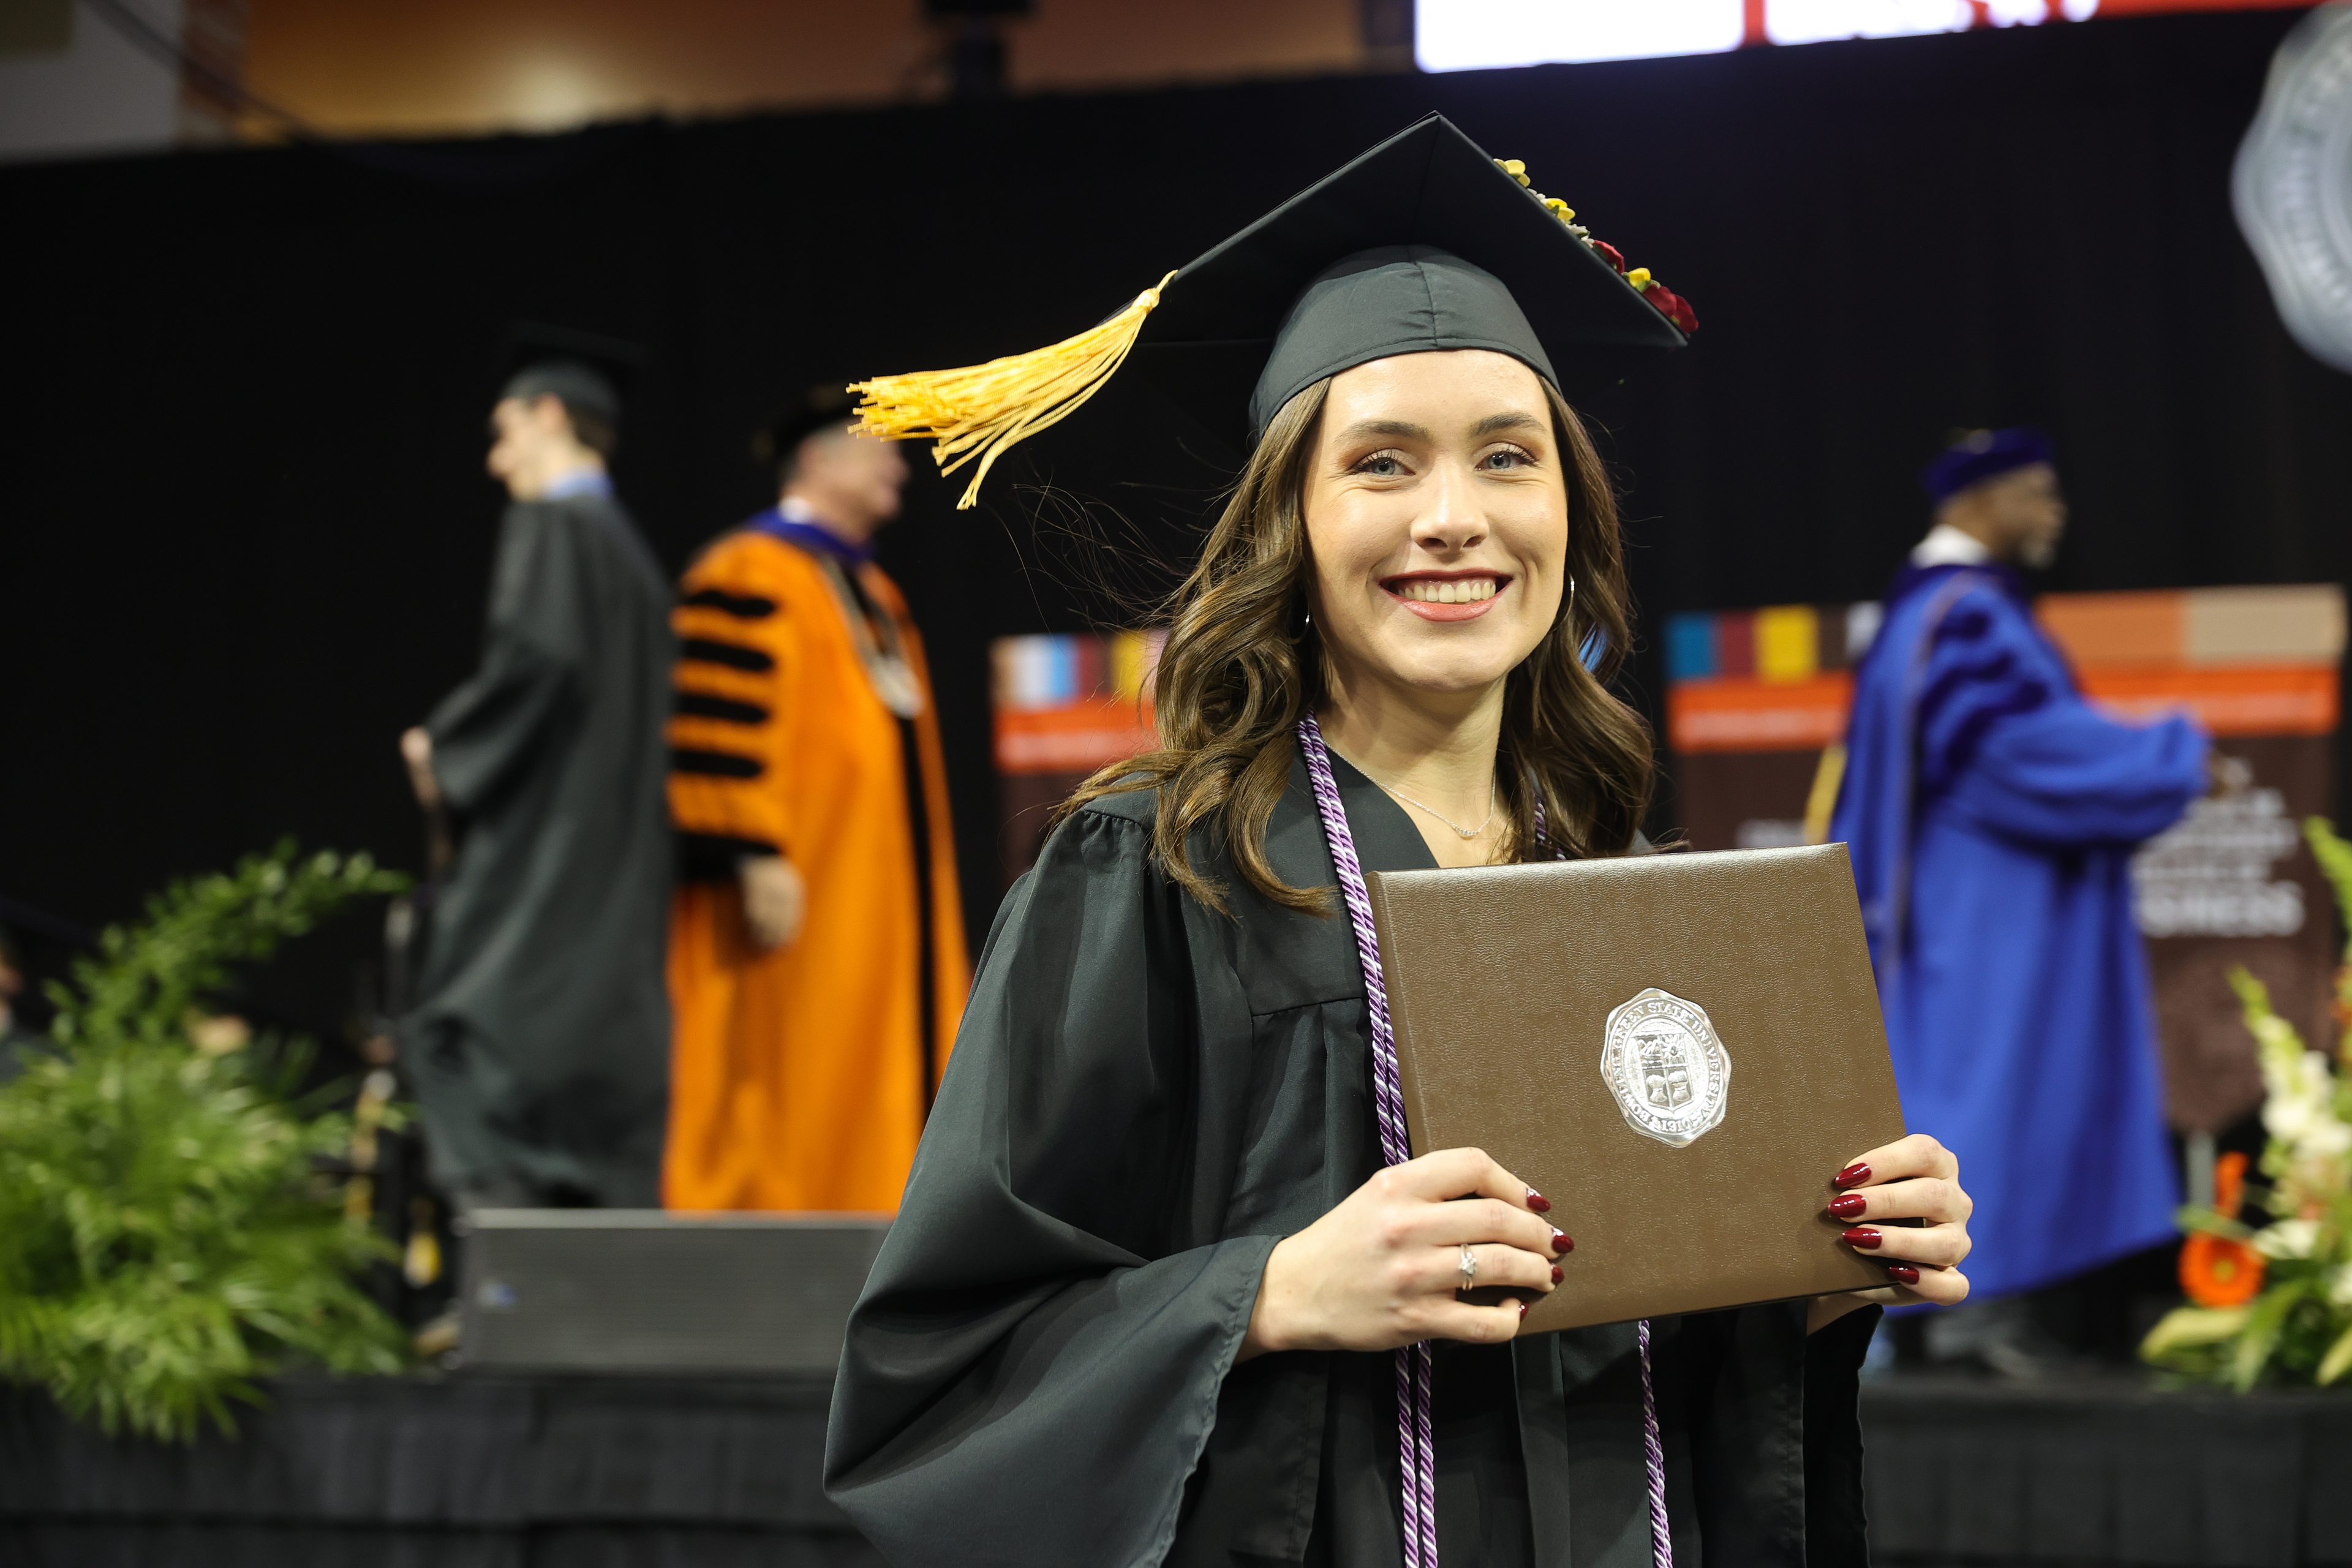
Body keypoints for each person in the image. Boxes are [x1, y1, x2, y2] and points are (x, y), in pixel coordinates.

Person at [824, 115, 1977, 1568]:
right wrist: (1276, 1289)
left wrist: (1814, 1269)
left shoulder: (1628, 886)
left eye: (1509, 456)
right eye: (1381, 463)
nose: (1455, 518)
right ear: (1290, 526)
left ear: (1569, 511)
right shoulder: (1159, 871)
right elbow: (941, 1365)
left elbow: (1649, 1354)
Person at [1830, 427, 2208, 1375]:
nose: (2055, 510)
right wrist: (2172, 750)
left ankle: (1956, 1310)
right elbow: (2023, 756)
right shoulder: (1965, 616)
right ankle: (1965, 1313)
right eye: (2034, 491)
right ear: (1975, 502)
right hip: (1985, 909)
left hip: (1960, 898)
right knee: (1983, 1088)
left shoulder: (1927, 611)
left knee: (1967, 1087)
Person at [663, 388, 968, 1212]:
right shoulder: (747, 572)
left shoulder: (876, 593)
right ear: (822, 458)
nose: (900, 471)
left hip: (874, 898)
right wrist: (750, 851)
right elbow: (715, 730)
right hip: (792, 893)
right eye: (882, 450)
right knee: (787, 1065)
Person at [397, 339, 676, 1208]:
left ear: (549, 414)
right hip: (616, 876)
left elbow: (539, 661)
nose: (496, 458)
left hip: (542, 863)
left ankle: (500, 1288)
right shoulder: (633, 558)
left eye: (505, 430)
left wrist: (442, 752)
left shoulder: (552, 526)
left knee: (454, 1031)